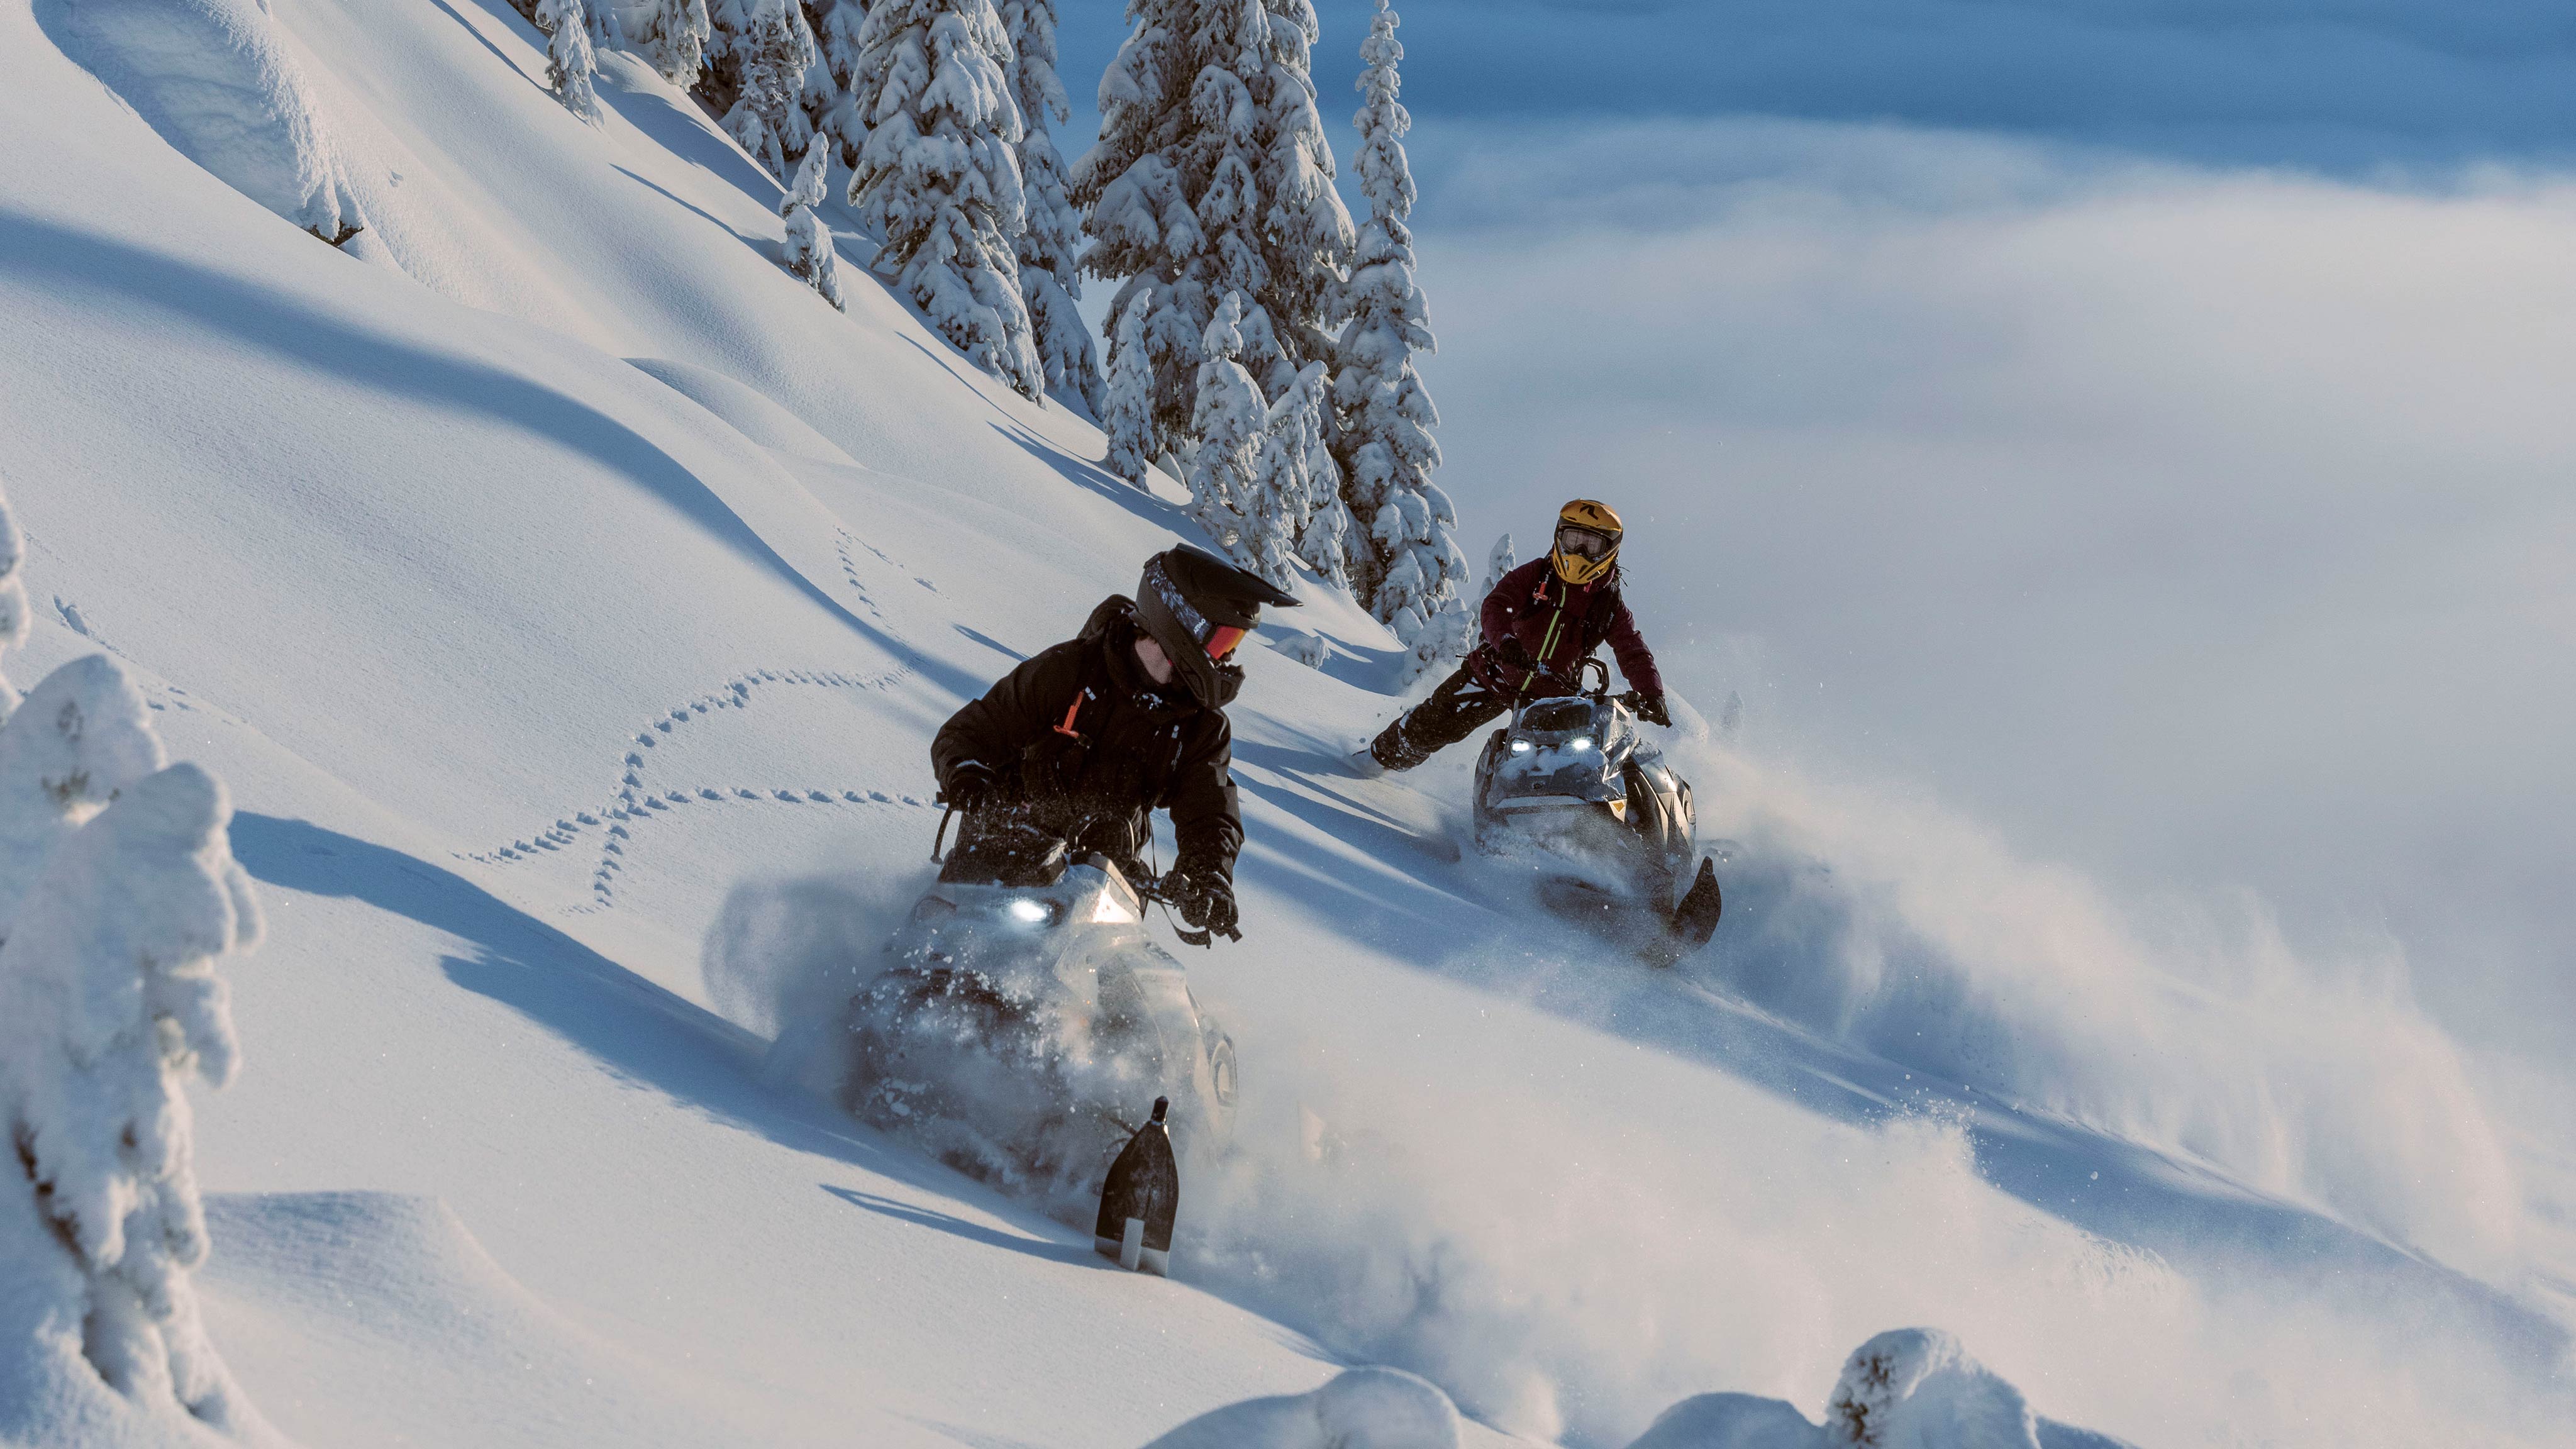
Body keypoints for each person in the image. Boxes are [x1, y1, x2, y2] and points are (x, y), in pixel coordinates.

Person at [933, 545, 1297, 939]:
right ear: (1180, 621)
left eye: (1232, 646)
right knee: (939, 946)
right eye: (1221, 641)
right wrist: (968, 777)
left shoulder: (1203, 728)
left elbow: (1210, 811)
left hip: (1102, 885)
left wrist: (1209, 874)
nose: (1225, 659)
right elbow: (970, 732)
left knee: (1121, 990)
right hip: (1001, 855)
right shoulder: (1068, 670)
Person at [1352, 499, 1667, 777]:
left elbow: (1633, 649)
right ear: (1559, 538)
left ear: (1609, 551)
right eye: (1574, 541)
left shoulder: (1608, 605)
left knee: (1560, 765)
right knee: (1430, 726)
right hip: (1495, 673)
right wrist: (1506, 642)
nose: (1580, 553)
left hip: (1552, 697)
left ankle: (1546, 820)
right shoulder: (1536, 575)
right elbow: (1496, 605)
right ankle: (1373, 763)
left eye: (1592, 546)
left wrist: (1651, 693)